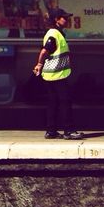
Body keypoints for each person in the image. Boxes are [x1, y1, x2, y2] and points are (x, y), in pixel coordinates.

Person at [33, 8, 80, 139]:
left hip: (51, 74)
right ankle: (69, 131)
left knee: (53, 102)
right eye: (64, 17)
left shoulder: (58, 33)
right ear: (56, 20)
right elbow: (44, 51)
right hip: (56, 74)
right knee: (65, 101)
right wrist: (39, 64)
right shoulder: (53, 33)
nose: (67, 20)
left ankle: (51, 131)